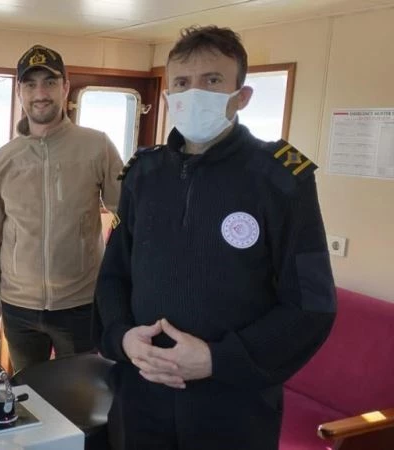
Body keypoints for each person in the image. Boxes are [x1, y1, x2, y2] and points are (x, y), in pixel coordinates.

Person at [94, 25, 336, 450]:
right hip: (141, 392)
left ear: (241, 96)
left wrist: (216, 359)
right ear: (168, 96)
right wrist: (122, 338)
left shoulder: (281, 179)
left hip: (233, 402)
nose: (195, 93)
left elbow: (311, 305)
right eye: (182, 83)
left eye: (212, 80)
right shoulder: (143, 174)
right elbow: (114, 276)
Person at [0, 44, 123, 373]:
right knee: (30, 394)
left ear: (65, 87)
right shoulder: (3, 159)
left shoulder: (97, 146)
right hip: (19, 308)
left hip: (80, 305)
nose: (40, 93)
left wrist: (120, 293)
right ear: (20, 92)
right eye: (30, 85)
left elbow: (129, 219)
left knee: (81, 394)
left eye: (50, 82)